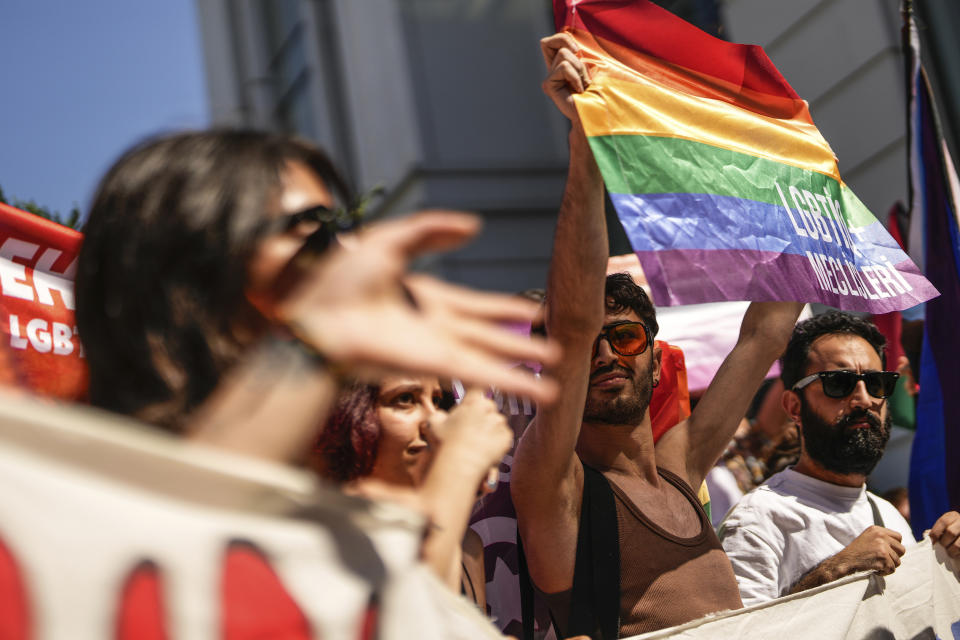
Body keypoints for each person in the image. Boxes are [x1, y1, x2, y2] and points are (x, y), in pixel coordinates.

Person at [510, 33, 803, 638]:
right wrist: (586, 145)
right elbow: (569, 326)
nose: (605, 356)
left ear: (655, 352)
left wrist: (799, 181)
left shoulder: (679, 467)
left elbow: (766, 333)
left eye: (625, 338)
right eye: (591, 341)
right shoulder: (556, 484)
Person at [719, 311, 960, 606]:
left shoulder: (887, 513)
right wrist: (833, 572)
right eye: (839, 383)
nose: (864, 399)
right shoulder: (758, 519)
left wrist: (951, 562)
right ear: (794, 407)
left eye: (876, 383)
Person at [312, 377, 513, 609]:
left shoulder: (466, 545)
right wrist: (460, 467)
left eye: (437, 401)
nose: (436, 421)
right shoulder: (323, 542)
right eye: (405, 399)